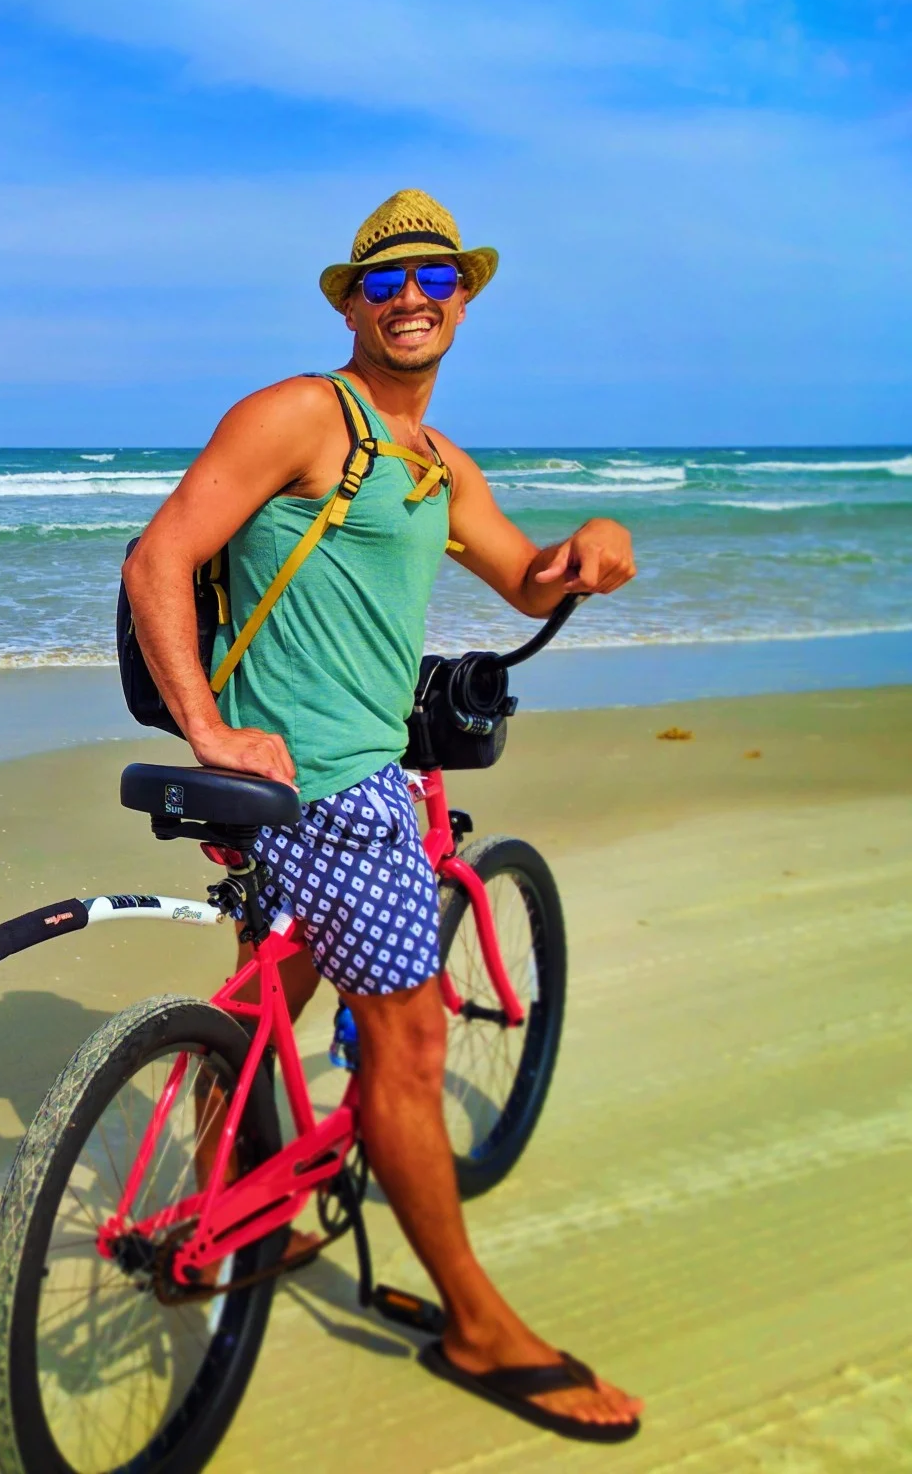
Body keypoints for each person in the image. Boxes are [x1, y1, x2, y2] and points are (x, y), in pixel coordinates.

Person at [122, 189, 642, 1441]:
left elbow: (524, 573)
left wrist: (592, 543)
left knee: (266, 992)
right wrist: (206, 724)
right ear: (352, 302)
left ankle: (227, 1197)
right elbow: (159, 556)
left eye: (436, 281)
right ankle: (473, 1320)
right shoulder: (305, 412)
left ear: (464, 300)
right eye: (385, 282)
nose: (411, 298)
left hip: (335, 774)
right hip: (330, 782)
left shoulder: (431, 461)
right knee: (406, 1043)